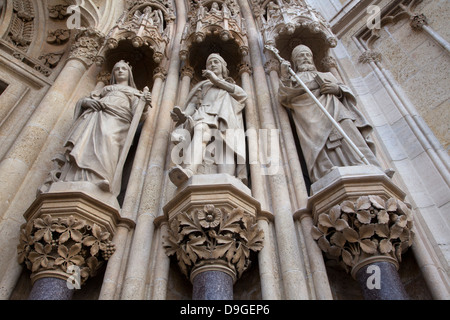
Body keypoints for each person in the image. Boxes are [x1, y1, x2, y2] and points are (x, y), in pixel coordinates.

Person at [278, 45, 383, 183]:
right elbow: (284, 97)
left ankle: (367, 164)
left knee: (350, 135)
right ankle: (326, 171)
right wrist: (285, 77)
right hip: (310, 117)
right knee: (320, 143)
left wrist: (337, 89)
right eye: (300, 55)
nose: (305, 58)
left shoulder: (326, 75)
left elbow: (344, 90)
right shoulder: (294, 80)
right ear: (295, 61)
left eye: (307, 55)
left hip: (337, 111)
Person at [60, 60, 151, 196]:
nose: (120, 71)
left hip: (118, 121)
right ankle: (78, 177)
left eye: (123, 69)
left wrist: (144, 103)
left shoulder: (134, 92)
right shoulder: (104, 89)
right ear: (113, 73)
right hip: (96, 117)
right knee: (87, 146)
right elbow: (84, 101)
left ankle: (103, 178)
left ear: (129, 73)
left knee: (108, 141)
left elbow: (137, 114)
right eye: (117, 69)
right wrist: (87, 102)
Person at [169, 53, 247, 187]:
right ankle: (189, 169)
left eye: (216, 62)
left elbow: (242, 95)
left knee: (224, 147)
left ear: (223, 66)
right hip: (204, 113)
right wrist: (183, 115)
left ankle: (229, 181)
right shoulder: (203, 86)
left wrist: (217, 81)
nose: (212, 64)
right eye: (209, 63)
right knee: (201, 130)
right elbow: (193, 104)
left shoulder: (229, 84)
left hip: (225, 118)